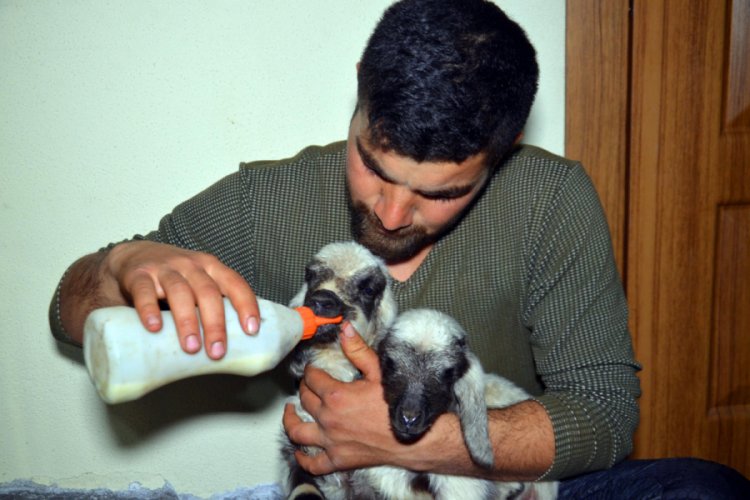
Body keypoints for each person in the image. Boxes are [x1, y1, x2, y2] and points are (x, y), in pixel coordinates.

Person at [50, 0, 750, 497]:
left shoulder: (549, 201)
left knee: (705, 488)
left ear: (500, 156)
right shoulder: (267, 200)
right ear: (359, 89)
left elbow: (604, 410)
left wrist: (416, 436)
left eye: (441, 194)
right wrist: (125, 264)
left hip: (499, 488)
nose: (389, 212)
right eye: (373, 166)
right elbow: (70, 314)